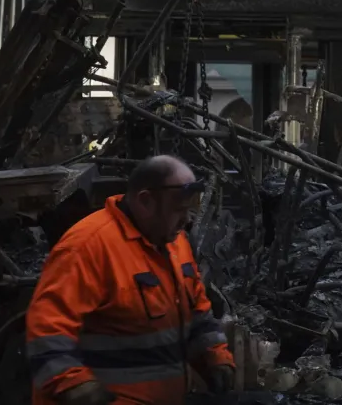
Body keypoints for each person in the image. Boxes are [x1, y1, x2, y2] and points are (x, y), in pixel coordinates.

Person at [26, 155, 235, 405]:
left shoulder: (175, 243)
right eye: (178, 210)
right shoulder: (87, 247)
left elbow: (197, 310)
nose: (187, 220)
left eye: (189, 210)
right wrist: (75, 385)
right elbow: (47, 330)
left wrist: (215, 357)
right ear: (146, 201)